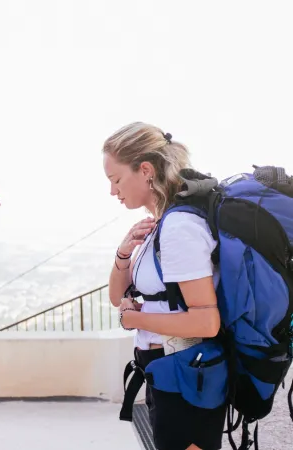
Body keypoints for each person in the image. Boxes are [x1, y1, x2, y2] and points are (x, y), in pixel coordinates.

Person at [103, 122, 224, 450]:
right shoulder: (161, 226)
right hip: (169, 374)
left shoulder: (179, 228)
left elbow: (206, 322)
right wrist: (124, 253)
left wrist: (135, 319)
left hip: (186, 377)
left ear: (145, 170)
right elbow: (118, 296)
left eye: (116, 180)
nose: (113, 191)